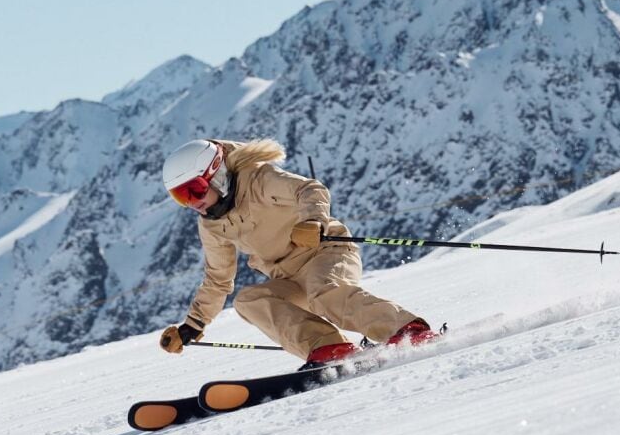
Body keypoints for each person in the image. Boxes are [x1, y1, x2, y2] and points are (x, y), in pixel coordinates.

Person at [158, 138, 438, 368]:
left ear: (216, 174)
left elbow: (309, 189)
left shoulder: (257, 179)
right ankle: (328, 347)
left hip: (325, 251)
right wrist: (192, 326)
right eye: (181, 197)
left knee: (323, 292)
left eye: (195, 190)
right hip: (287, 276)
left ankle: (407, 330)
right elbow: (218, 279)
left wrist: (313, 221)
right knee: (249, 300)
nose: (193, 203)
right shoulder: (211, 224)